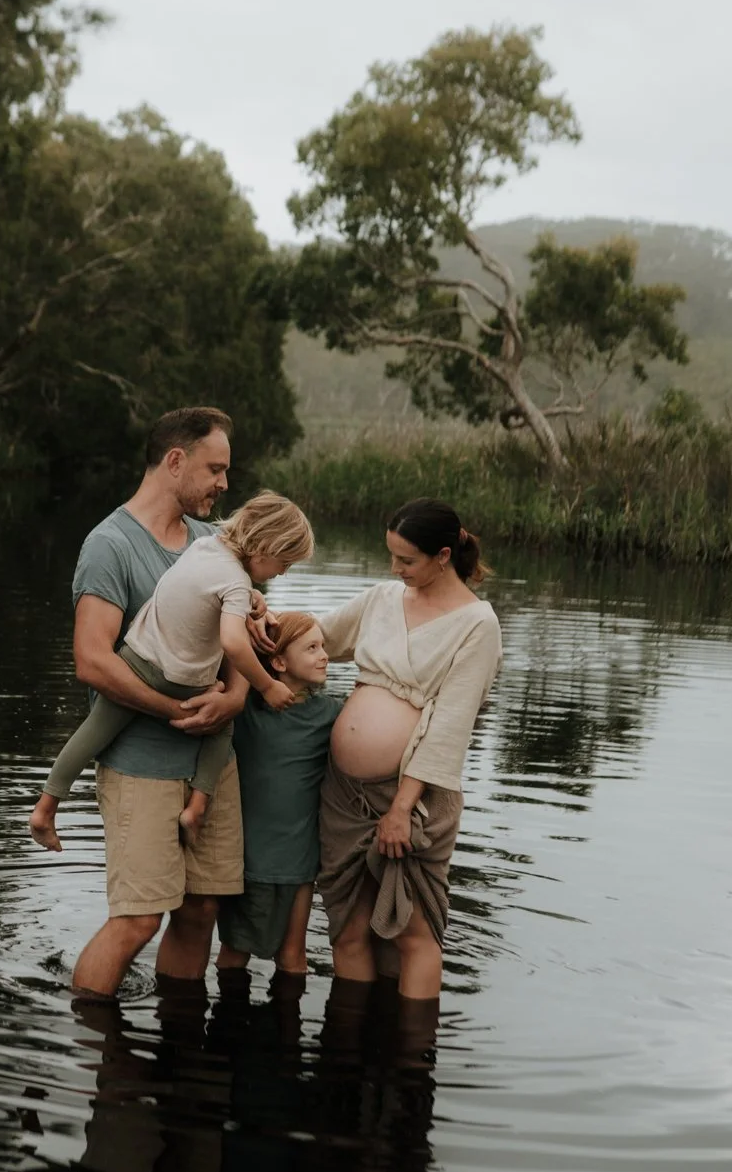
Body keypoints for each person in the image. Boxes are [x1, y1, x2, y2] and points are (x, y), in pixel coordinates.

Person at [60, 407, 249, 999]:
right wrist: (175, 712)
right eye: (214, 470)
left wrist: (235, 699)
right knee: (138, 921)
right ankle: (93, 1040)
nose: (224, 484)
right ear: (175, 462)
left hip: (210, 773)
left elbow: (241, 645)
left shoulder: (214, 542)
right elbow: (92, 660)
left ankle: (178, 1052)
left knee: (199, 914)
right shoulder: (109, 546)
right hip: (139, 767)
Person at [30, 492, 314, 851]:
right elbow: (233, 642)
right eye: (284, 564)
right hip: (180, 681)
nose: (283, 573)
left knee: (93, 732)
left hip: (136, 658)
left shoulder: (204, 546)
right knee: (221, 723)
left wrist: (252, 598)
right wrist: (267, 685)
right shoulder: (237, 584)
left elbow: (200, 590)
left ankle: (44, 809)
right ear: (264, 550)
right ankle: (196, 808)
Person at [311, 499, 503, 1003]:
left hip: (410, 799)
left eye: (406, 560)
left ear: (443, 556)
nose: (394, 569)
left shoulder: (477, 625)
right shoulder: (382, 599)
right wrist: (257, 617)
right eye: (391, 556)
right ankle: (350, 1050)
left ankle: (411, 1060)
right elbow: (316, 638)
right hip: (344, 794)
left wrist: (400, 809)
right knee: (348, 929)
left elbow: (450, 728)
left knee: (413, 933)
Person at [215, 612, 338, 978]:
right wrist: (254, 617)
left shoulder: (330, 712)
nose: (324, 655)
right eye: (312, 648)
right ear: (279, 661)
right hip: (250, 859)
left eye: (323, 646)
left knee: (293, 957)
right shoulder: (247, 707)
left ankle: (287, 1035)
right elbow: (228, 649)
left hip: (300, 859)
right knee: (235, 952)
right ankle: (223, 1031)